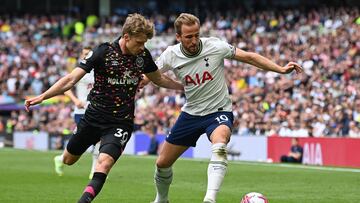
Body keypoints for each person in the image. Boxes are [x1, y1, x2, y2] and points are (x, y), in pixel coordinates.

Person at [142, 13, 303, 203]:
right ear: (178, 37)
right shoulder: (171, 54)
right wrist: (142, 80)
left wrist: (280, 69)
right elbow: (152, 75)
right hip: (191, 113)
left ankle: (210, 199)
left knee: (220, 142)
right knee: (162, 163)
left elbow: (250, 57)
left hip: (218, 111)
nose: (194, 40)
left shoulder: (215, 46)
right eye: (188, 37)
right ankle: (161, 200)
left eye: (196, 35)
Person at [25, 13, 183, 203]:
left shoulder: (142, 56)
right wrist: (42, 97)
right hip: (93, 117)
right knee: (69, 159)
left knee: (104, 163)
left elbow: (159, 79)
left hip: (120, 122)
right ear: (126, 37)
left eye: (145, 43)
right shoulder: (103, 52)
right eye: (139, 42)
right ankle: (63, 158)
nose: (142, 47)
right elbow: (70, 79)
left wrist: (184, 87)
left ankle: (83, 201)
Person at [54, 46, 100, 179]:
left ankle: (94, 171)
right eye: (84, 54)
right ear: (81, 56)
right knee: (82, 142)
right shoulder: (80, 71)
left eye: (89, 54)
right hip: (81, 111)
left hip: (96, 110)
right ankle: (61, 158)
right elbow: (66, 88)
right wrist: (75, 101)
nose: (86, 56)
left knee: (98, 141)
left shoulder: (98, 70)